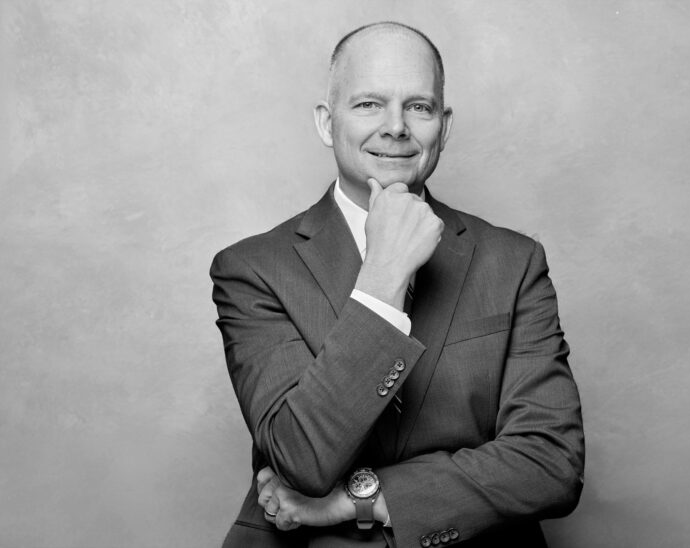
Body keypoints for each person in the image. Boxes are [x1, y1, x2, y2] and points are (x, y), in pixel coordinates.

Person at [210, 21, 584, 548]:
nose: (396, 127)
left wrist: (356, 499)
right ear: (327, 122)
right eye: (369, 104)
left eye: (419, 107)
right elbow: (300, 457)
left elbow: (550, 462)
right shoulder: (251, 269)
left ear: (443, 127)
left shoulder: (515, 262)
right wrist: (383, 276)